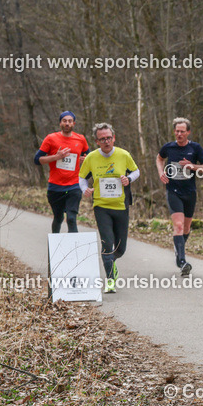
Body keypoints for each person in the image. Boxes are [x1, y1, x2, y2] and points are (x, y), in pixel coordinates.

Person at [78, 123, 139, 294]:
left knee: (120, 248)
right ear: (97, 141)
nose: (106, 141)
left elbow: (136, 171)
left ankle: (112, 262)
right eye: (102, 139)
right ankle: (110, 279)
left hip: (121, 206)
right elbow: (82, 178)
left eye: (109, 138)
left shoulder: (123, 154)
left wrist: (129, 179)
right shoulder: (91, 157)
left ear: (114, 138)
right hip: (101, 206)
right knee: (107, 242)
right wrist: (85, 190)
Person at [156, 117, 203, 275]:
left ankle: (178, 249)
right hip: (173, 191)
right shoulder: (168, 147)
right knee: (178, 225)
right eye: (177, 131)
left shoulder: (195, 148)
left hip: (190, 192)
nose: (179, 134)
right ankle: (182, 262)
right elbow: (159, 159)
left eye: (182, 131)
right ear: (174, 132)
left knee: (186, 227)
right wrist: (161, 173)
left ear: (188, 132)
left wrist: (192, 166)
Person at [34, 111, 89, 233]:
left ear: (74, 123)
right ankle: (54, 249)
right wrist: (56, 157)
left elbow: (89, 157)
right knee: (58, 218)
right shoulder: (51, 138)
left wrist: (85, 160)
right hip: (55, 186)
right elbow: (37, 160)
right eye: (64, 121)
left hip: (74, 185)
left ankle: (73, 249)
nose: (67, 123)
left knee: (71, 219)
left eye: (70, 121)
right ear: (60, 123)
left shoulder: (81, 139)